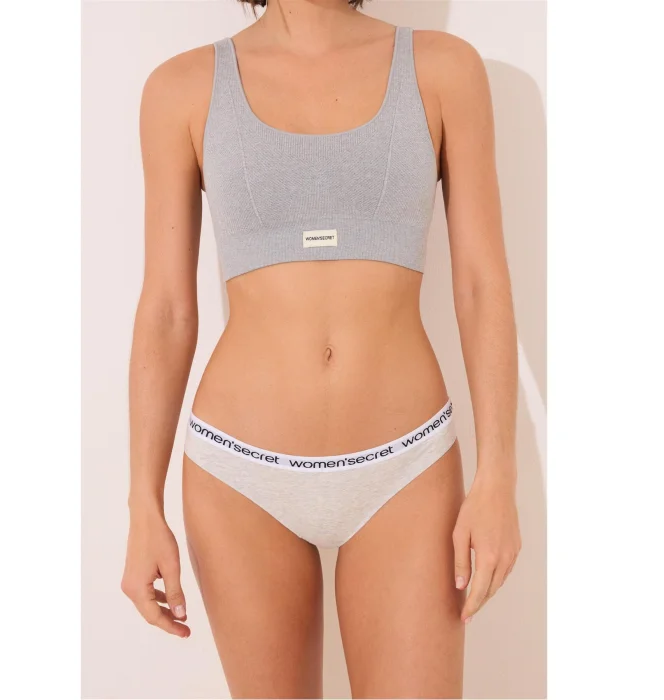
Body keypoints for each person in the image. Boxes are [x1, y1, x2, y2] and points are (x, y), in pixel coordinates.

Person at [121, 1, 521, 697]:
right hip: (239, 476)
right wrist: (142, 506)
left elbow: (483, 286)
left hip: (407, 469)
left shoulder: (442, 70)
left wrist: (500, 478)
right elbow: (166, 310)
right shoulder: (180, 87)